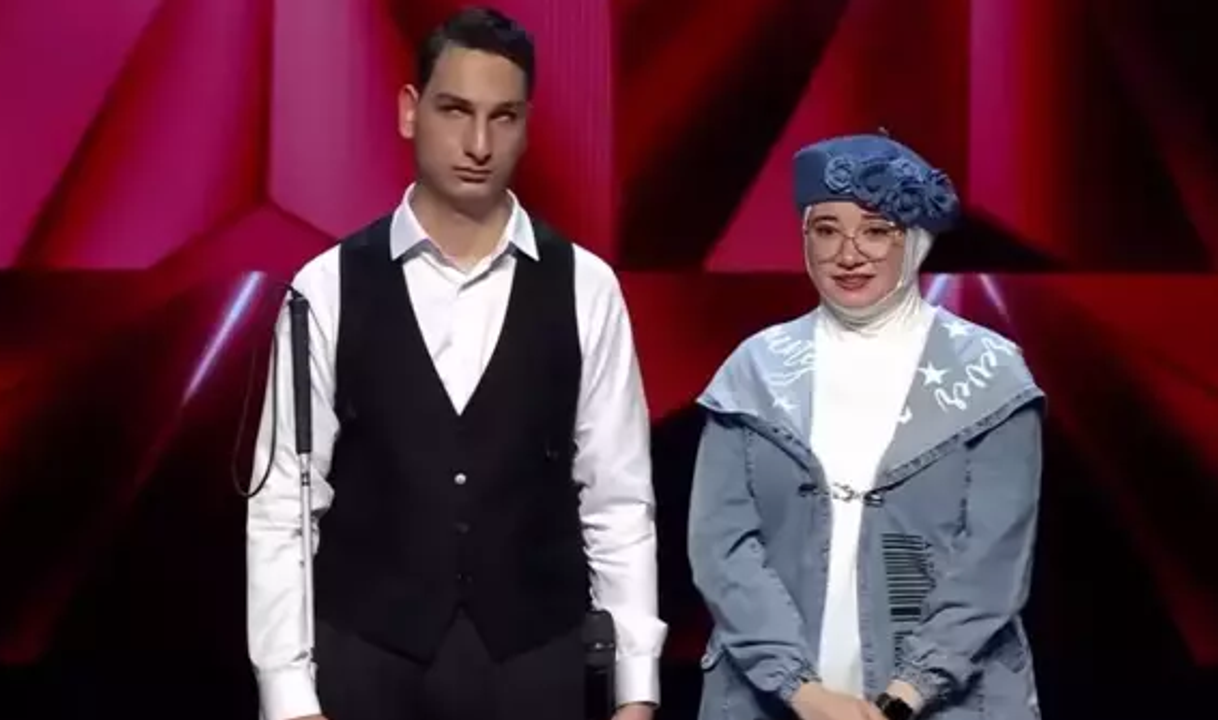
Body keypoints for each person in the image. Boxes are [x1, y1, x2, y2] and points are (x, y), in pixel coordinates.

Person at [245, 7, 665, 720]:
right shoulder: (326, 286)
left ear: (526, 126)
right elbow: (283, 502)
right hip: (367, 664)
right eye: (455, 110)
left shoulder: (586, 287)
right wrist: (287, 695)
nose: (478, 144)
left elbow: (619, 500)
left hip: (535, 664)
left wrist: (636, 690)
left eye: (503, 117)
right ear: (410, 111)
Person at [686, 133, 1045, 720]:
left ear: (916, 239)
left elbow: (992, 562)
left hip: (948, 702)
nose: (848, 254)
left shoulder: (990, 375)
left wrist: (904, 697)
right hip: (772, 698)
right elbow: (722, 548)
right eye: (827, 230)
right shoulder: (754, 371)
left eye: (876, 231)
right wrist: (802, 692)